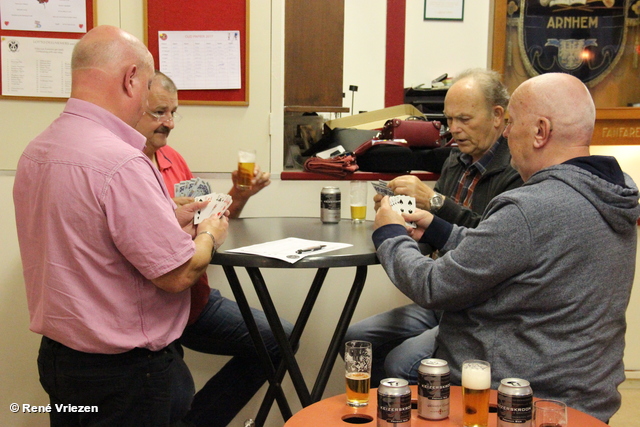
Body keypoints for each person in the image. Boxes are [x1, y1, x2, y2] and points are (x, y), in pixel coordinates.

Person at [371, 72, 640, 423]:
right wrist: (438, 228)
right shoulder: (610, 192)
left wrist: (390, 235)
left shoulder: (531, 207)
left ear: (541, 131)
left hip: (512, 398)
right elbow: (510, 252)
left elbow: (433, 285)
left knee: (399, 370)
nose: (507, 133)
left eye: (512, 122)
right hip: (587, 392)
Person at [13, 26, 229, 426]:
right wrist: (209, 232)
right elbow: (178, 273)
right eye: (148, 88)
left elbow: (88, 234)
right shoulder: (122, 161)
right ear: (131, 79)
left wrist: (168, 213)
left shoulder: (38, 150)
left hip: (61, 361)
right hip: (125, 377)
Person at [344, 68, 523, 385]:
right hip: (443, 296)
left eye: (465, 119)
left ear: (498, 116)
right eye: (449, 120)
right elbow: (436, 227)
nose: (455, 130)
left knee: (401, 362)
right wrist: (401, 214)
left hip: (479, 309)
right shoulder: (457, 159)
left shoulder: (516, 169)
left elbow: (490, 241)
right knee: (356, 339)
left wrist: (435, 202)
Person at [135, 70, 293, 427]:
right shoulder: (125, 167)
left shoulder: (173, 158)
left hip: (194, 299)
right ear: (134, 107)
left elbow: (207, 216)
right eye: (160, 112)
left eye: (174, 112)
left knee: (280, 340)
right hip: (155, 308)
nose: (170, 122)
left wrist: (238, 195)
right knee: (173, 396)